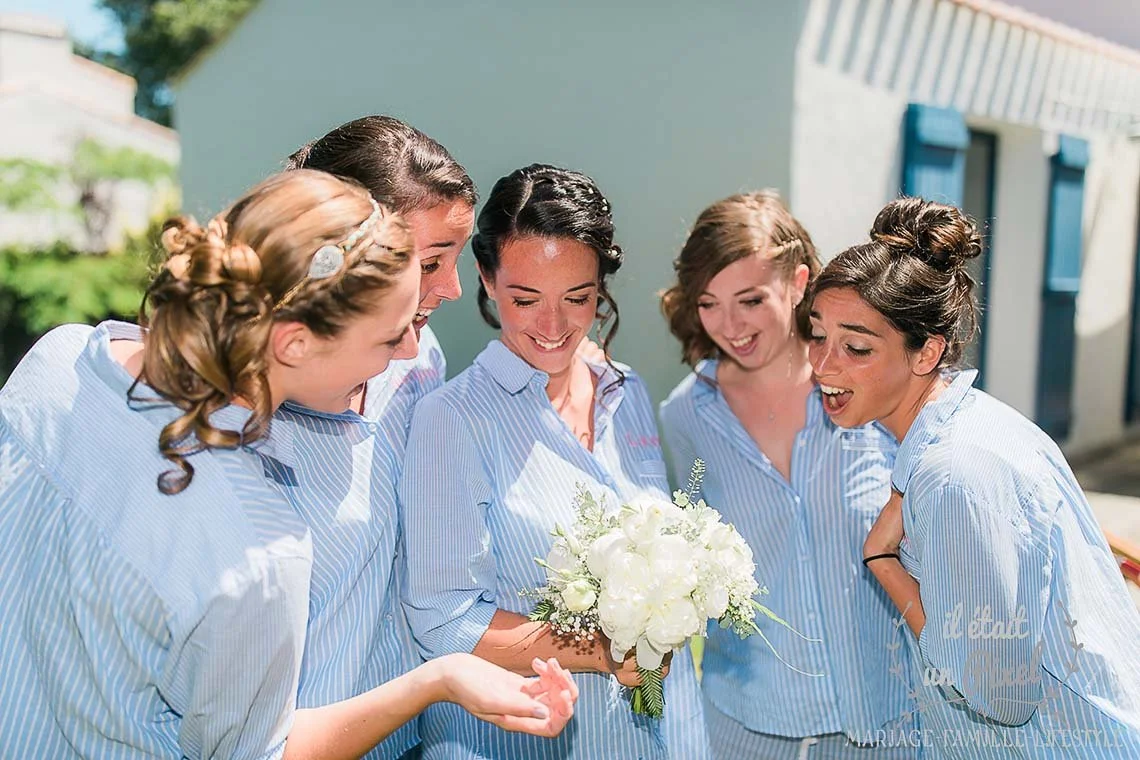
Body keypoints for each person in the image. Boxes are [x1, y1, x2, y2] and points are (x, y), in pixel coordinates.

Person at [0, 169, 576, 760]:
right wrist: (436, 681)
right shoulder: (258, 548)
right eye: (389, 338)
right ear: (294, 344)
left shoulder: (59, 357)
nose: (410, 351)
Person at [808, 196, 1140, 758]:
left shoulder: (954, 470)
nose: (822, 364)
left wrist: (882, 562)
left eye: (857, 347)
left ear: (926, 352)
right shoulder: (974, 425)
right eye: (817, 335)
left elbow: (995, 692)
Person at [399, 164, 711, 759]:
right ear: (487, 280)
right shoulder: (452, 420)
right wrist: (604, 649)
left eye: (578, 298)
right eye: (525, 298)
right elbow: (444, 619)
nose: (553, 326)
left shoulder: (630, 392)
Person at [658, 191, 914, 758]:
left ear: (799, 283)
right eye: (709, 303)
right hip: (744, 728)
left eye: (750, 299)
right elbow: (687, 557)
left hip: (886, 724)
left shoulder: (868, 389)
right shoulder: (687, 418)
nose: (730, 325)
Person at [274, 116, 476, 758]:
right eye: (433, 262)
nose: (453, 288)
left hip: (410, 732)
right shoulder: (257, 411)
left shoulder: (424, 359)